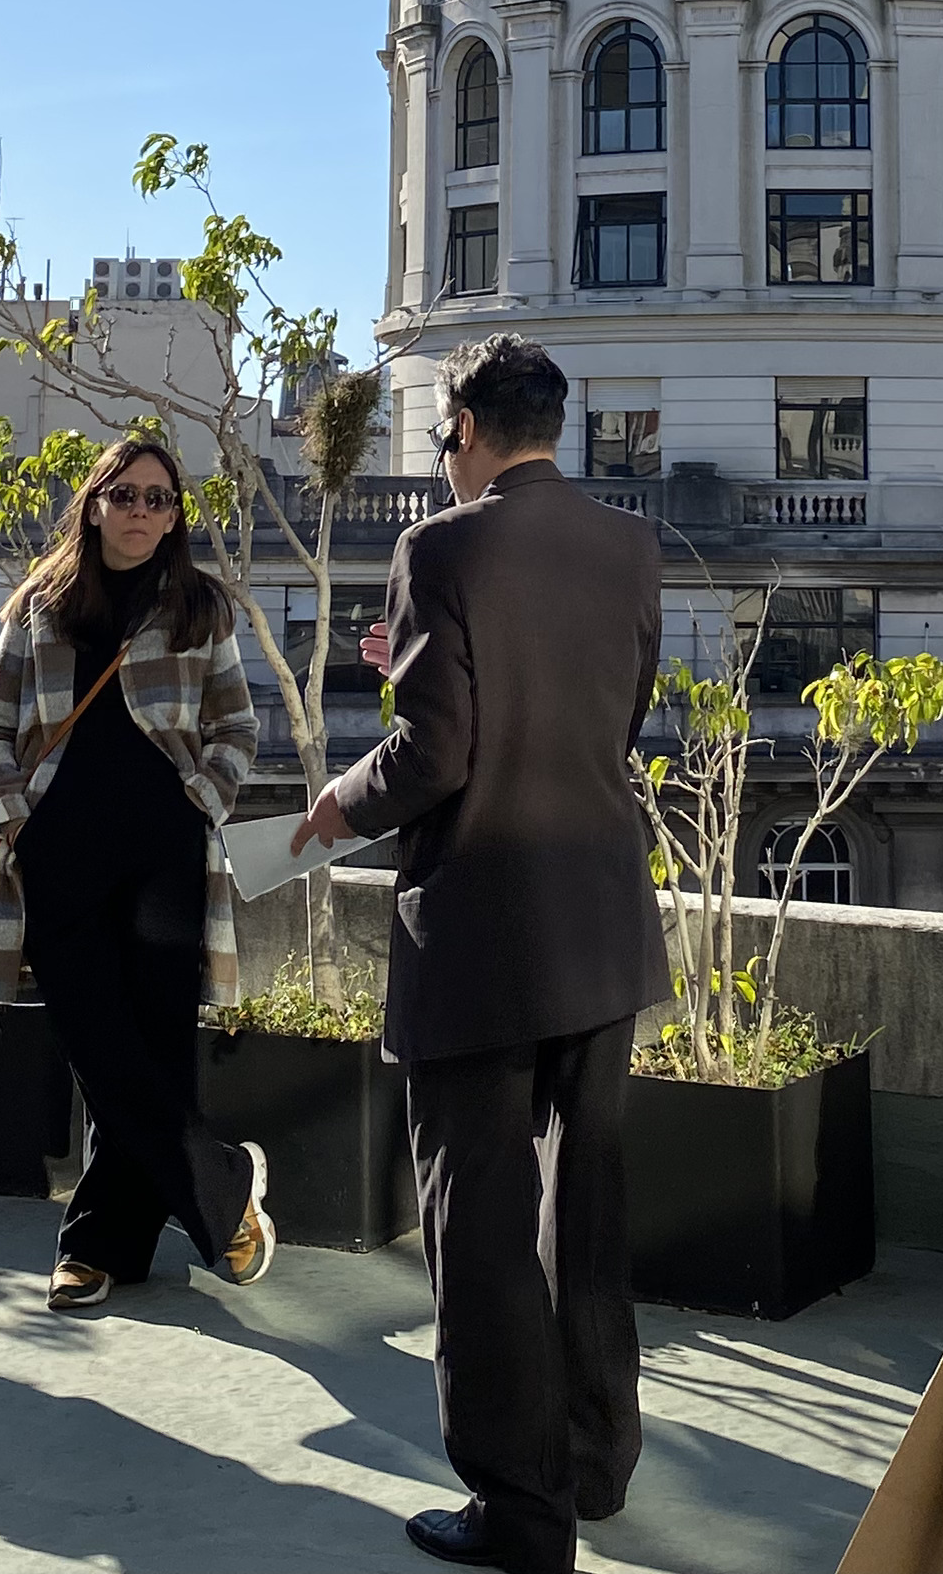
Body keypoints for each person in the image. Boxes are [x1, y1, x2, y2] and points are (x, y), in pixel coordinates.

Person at [294, 334, 661, 1574]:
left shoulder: (435, 548)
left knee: (484, 1230)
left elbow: (435, 758)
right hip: (603, 923)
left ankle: (518, 1511)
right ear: (558, 424)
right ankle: (598, 1461)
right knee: (592, 1214)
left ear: (463, 433)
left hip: (483, 934)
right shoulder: (629, 543)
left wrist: (332, 805)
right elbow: (611, 709)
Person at [0, 437, 276, 1316]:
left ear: (177, 516)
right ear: (93, 504)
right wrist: (12, 817)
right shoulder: (42, 606)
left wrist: (199, 800)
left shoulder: (200, 607)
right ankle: (223, 1185)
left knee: (155, 1050)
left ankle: (98, 1250)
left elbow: (238, 727)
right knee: (100, 1048)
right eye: (125, 495)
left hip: (166, 862)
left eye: (161, 500)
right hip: (58, 859)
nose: (142, 513)